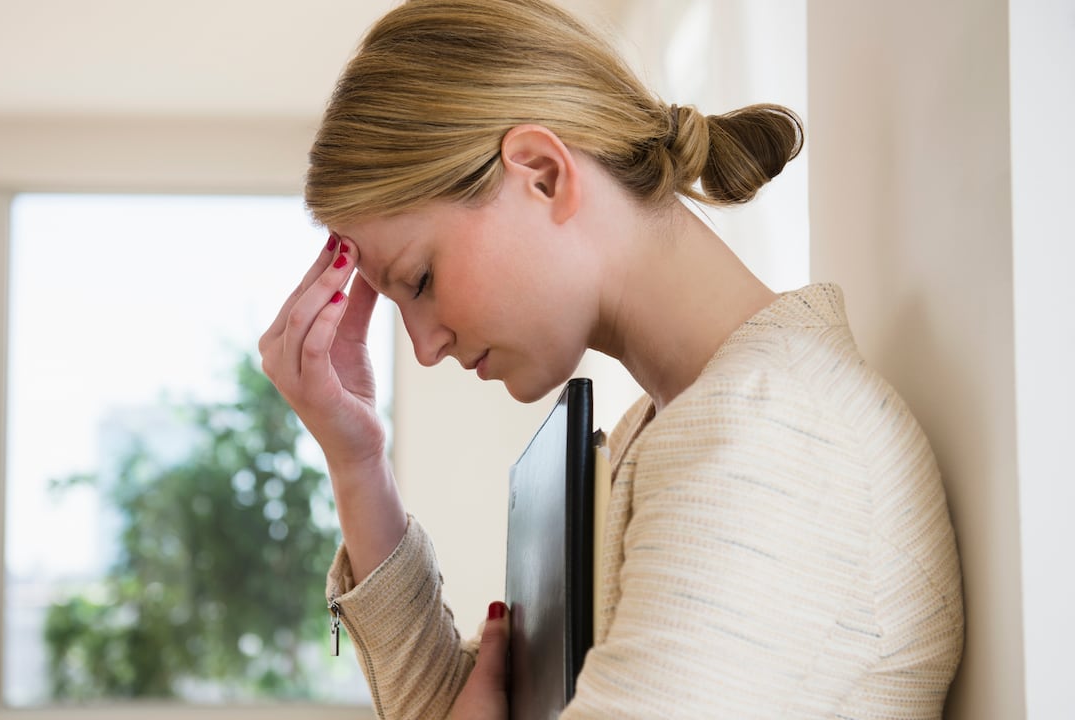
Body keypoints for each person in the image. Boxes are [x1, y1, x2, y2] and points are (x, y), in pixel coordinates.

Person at [259, 0, 964, 717]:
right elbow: (470, 705)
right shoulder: (668, 432)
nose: (425, 345)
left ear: (542, 174)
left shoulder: (765, 440)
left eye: (421, 280)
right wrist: (358, 463)